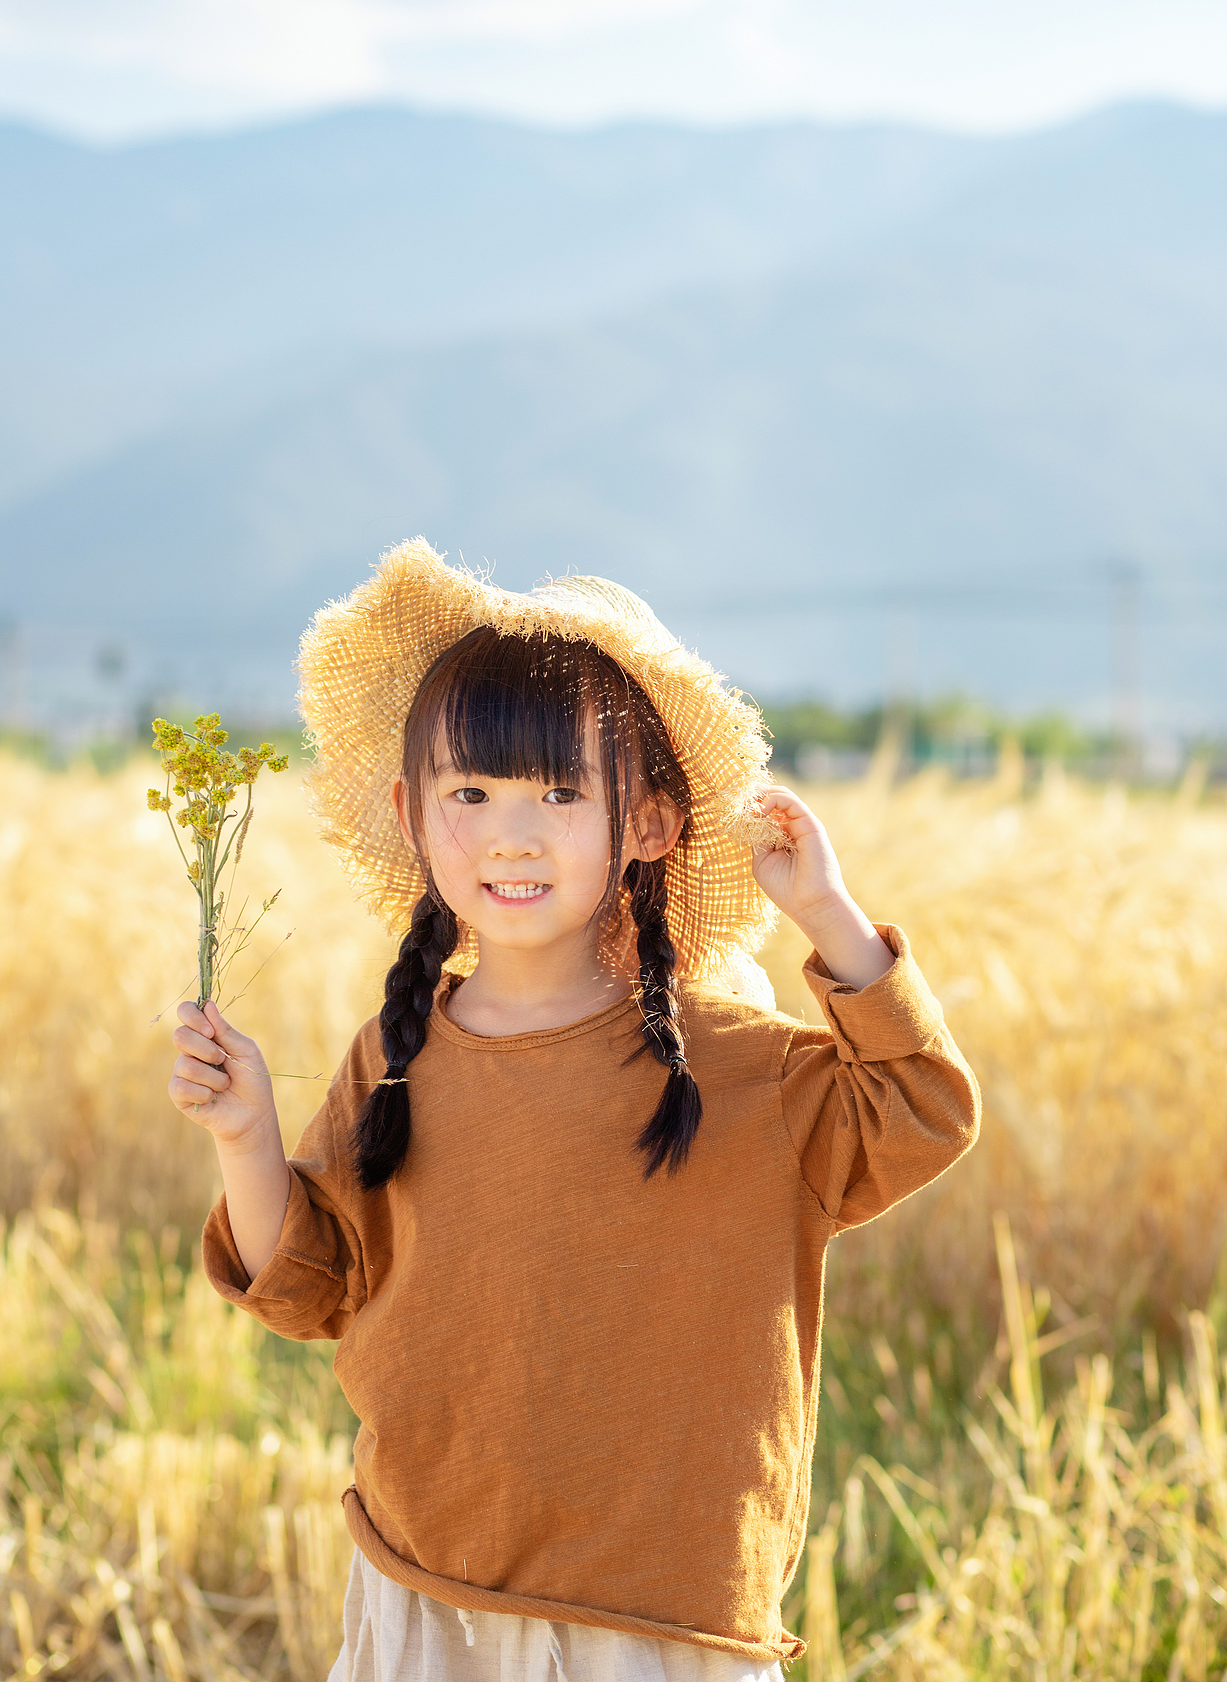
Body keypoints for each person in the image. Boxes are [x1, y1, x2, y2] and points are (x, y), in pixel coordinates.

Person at [169, 538, 980, 1682]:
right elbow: (309, 1286)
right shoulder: (395, 1055)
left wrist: (827, 914)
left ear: (646, 822)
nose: (511, 832)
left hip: (659, 1622)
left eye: (559, 791)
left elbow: (921, 1108)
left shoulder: (739, 1068)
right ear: (411, 811)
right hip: (429, 1590)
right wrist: (246, 1136)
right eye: (471, 792)